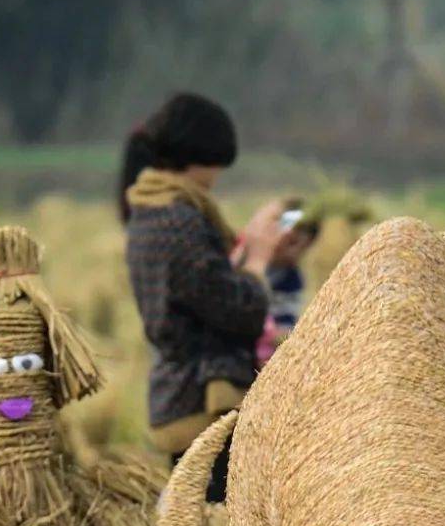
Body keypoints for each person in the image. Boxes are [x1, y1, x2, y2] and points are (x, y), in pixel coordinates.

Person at [121, 92, 306, 501]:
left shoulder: (152, 214)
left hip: (176, 397)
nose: (219, 174)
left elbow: (203, 288)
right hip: (201, 404)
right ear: (201, 155)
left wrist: (256, 255)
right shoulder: (180, 222)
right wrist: (257, 260)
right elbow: (238, 309)